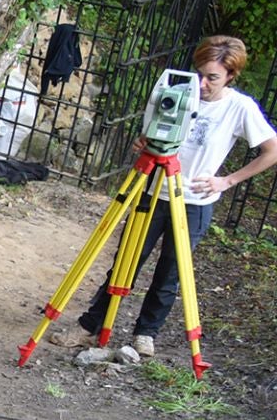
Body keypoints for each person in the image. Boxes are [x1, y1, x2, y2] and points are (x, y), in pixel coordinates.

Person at [72, 35, 276, 355]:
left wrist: (228, 181)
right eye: (200, 73)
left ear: (231, 76)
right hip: (152, 191)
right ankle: (91, 325)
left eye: (213, 77)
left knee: (169, 272)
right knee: (126, 262)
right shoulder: (178, 91)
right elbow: (153, 134)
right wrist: (143, 143)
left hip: (193, 202)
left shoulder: (240, 108)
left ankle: (145, 334)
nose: (202, 84)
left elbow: (271, 150)